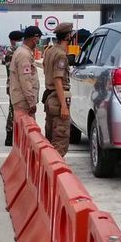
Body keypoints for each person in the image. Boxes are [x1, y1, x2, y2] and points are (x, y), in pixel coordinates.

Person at [43, 22, 74, 156]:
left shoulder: (49, 51)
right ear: (68, 36)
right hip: (57, 99)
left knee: (50, 140)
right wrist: (64, 106)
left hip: (49, 99)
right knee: (60, 142)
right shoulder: (61, 55)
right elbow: (58, 80)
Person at [8, 26, 42, 124]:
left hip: (21, 100)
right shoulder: (24, 55)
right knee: (28, 130)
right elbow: (25, 81)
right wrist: (31, 102)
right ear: (35, 38)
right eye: (39, 39)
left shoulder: (22, 51)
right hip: (24, 102)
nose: (39, 42)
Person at [3, 30, 25, 146]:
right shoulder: (12, 52)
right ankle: (10, 135)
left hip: (12, 84)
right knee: (13, 110)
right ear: (13, 41)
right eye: (20, 40)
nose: (21, 42)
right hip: (13, 85)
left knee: (14, 109)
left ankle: (12, 135)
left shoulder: (14, 51)